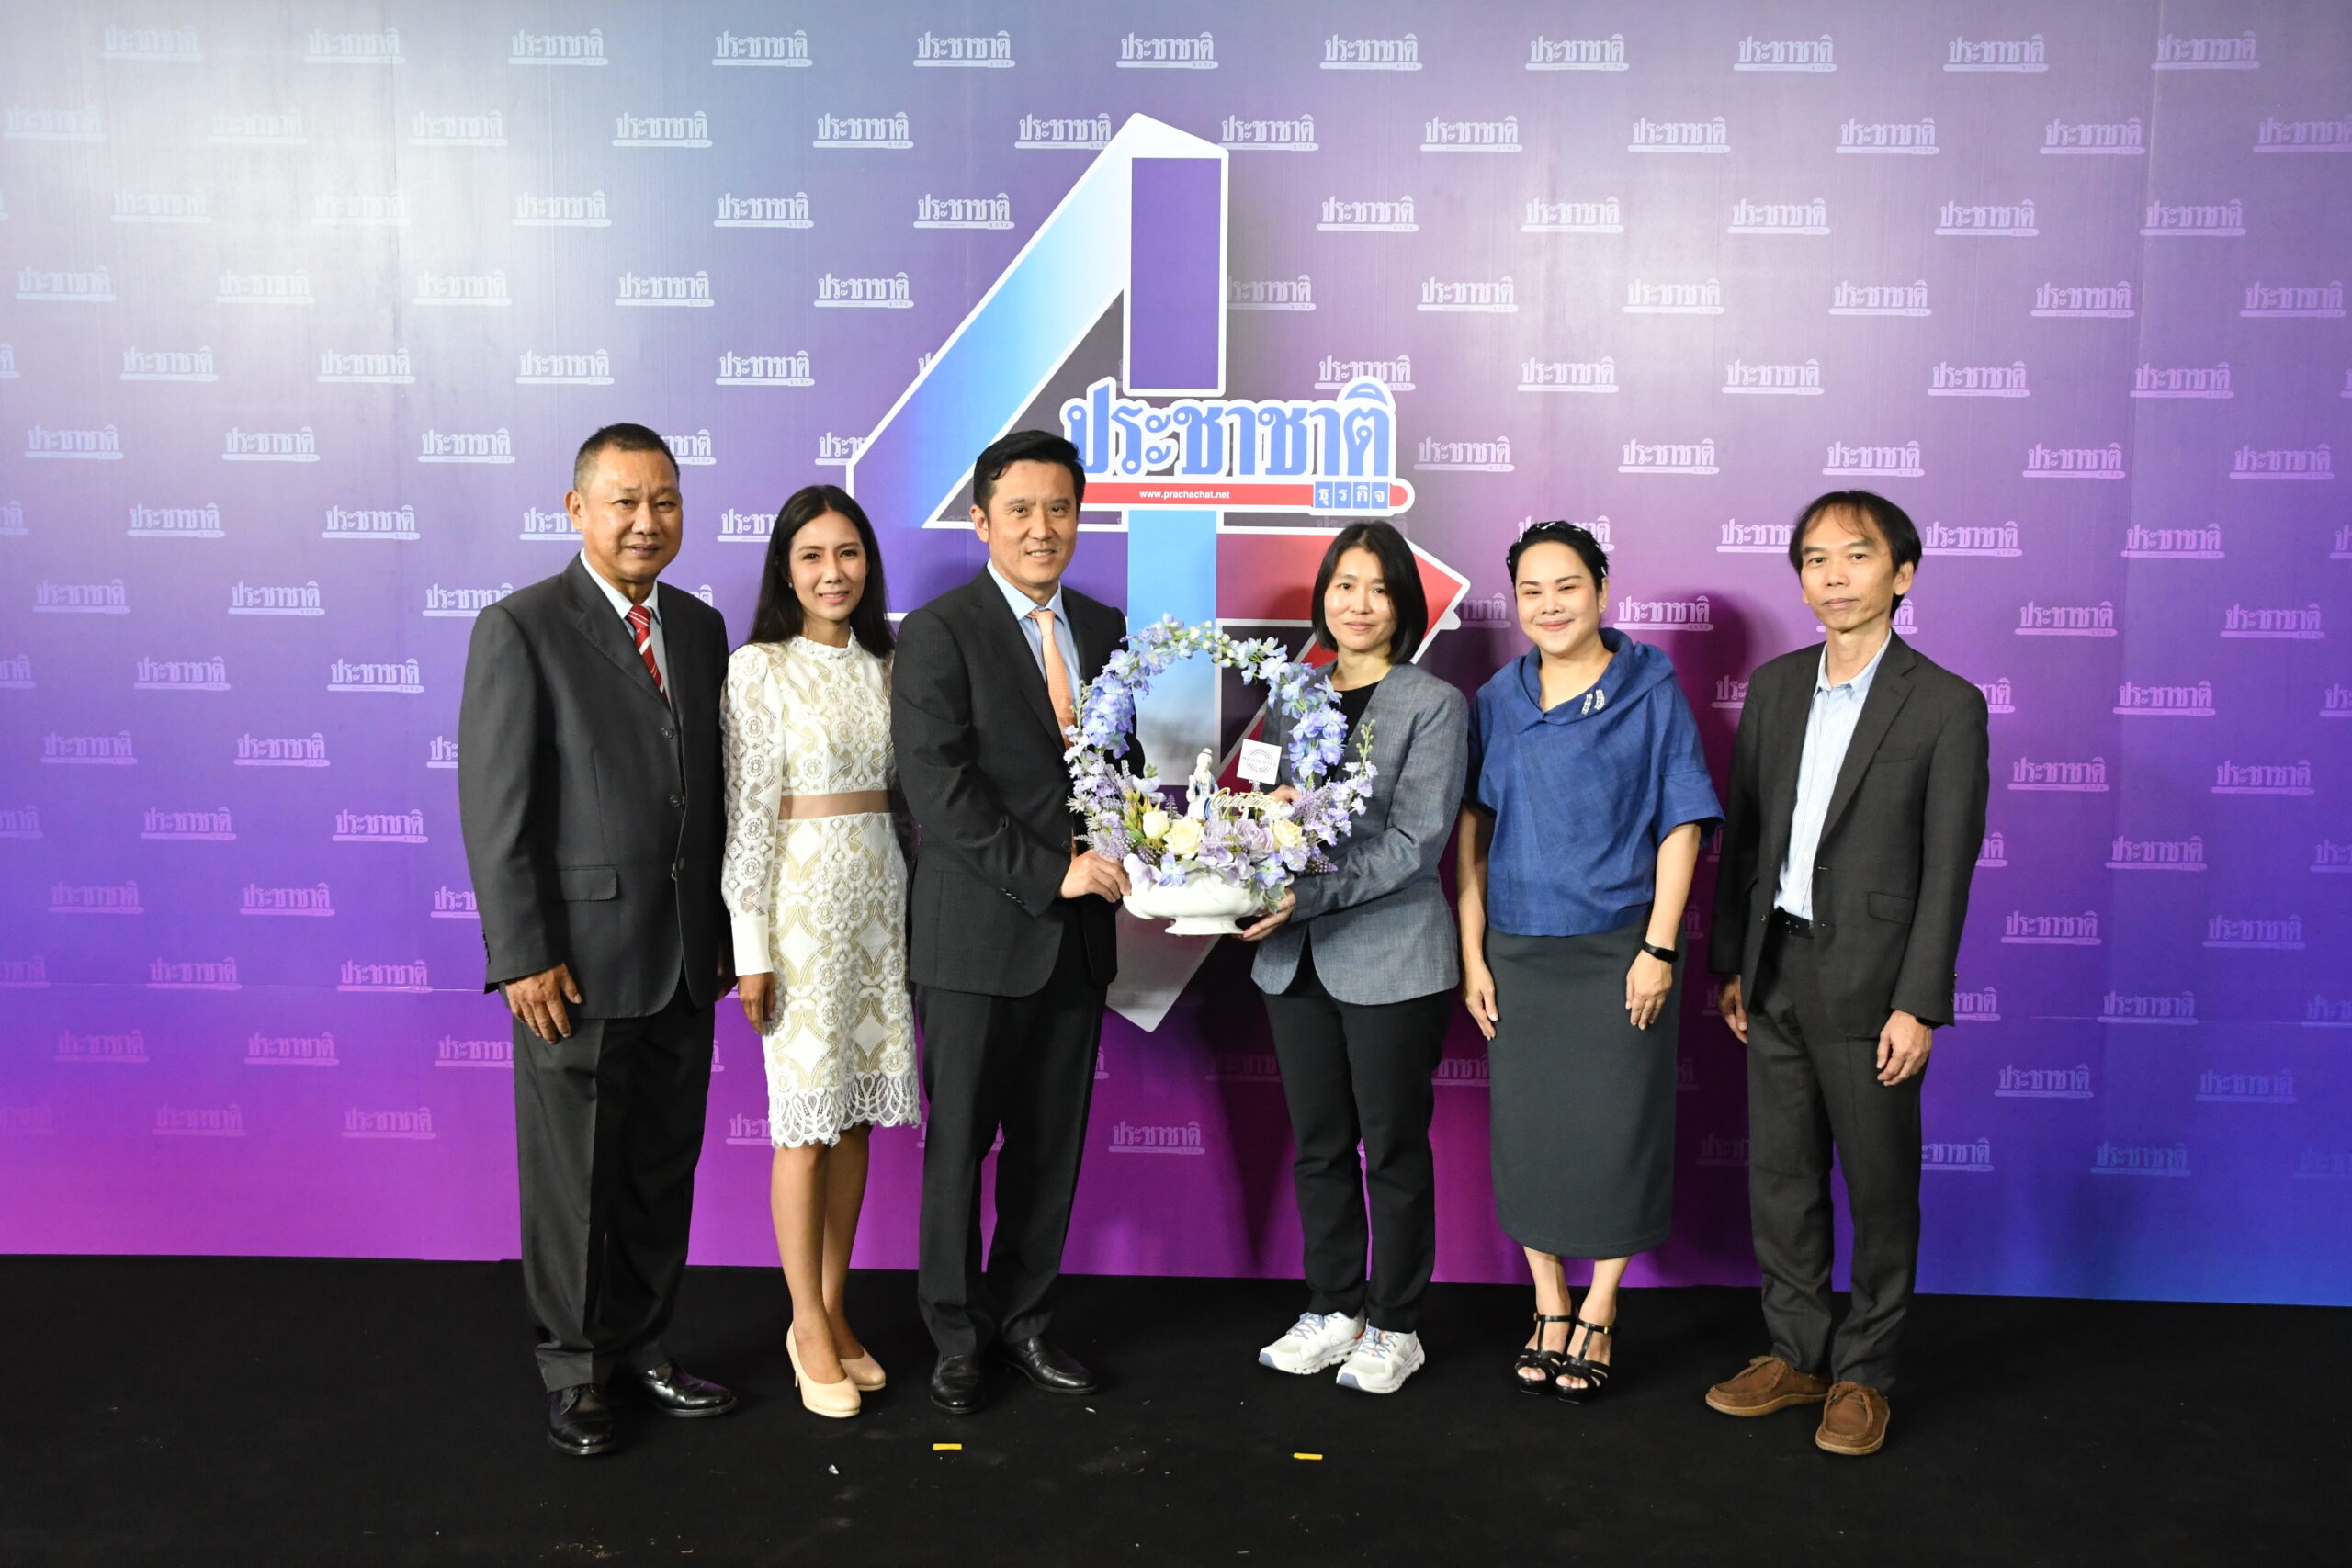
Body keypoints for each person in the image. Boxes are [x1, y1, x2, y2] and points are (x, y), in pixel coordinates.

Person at [458, 423, 738, 1457]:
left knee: (661, 1169)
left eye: (664, 500)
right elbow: (497, 811)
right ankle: (575, 1371)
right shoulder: (521, 627)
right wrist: (523, 953)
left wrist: (725, 935)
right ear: (577, 510)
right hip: (571, 964)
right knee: (572, 1180)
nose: (645, 520)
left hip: (684, 958)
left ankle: (643, 1344)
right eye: (624, 501)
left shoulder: (700, 628)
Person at [1702, 491, 1989, 1457]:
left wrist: (1919, 1003)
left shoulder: (1945, 704)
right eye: (1815, 559)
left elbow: (1948, 869)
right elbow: (1745, 838)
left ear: (1901, 575)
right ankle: (1796, 1353)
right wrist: (1732, 960)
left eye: (1857, 556)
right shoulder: (1776, 687)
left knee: (1879, 1186)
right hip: (1774, 966)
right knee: (1781, 1177)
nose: (1834, 575)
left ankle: (1865, 1371)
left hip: (1874, 985)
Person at [889, 429, 1131, 1416]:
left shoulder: (1105, 626)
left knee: (1048, 1147)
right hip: (974, 939)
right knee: (960, 1149)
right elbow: (937, 790)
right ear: (982, 520)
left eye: (1059, 508)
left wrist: (1157, 846)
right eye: (1020, 509)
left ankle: (1026, 1320)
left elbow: (1116, 770)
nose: (1042, 528)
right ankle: (956, 1337)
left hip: (1077, 944)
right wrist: (1052, 873)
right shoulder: (939, 630)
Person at [1456, 522, 1721, 1403]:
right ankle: (1549, 1300)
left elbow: (1683, 820)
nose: (1550, 605)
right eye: (1531, 591)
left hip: (1619, 948)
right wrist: (1472, 954)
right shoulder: (1497, 698)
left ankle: (1601, 1306)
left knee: (1617, 1131)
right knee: (1529, 1134)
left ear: (1602, 589)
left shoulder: (1651, 686)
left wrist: (1659, 946)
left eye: (1567, 585)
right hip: (1519, 950)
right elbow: (1473, 834)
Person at [1240, 521, 1467, 1396]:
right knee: (1319, 1144)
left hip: (1392, 957)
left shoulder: (1434, 704)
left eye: (1377, 587)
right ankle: (1335, 1306)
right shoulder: (1292, 695)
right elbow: (1259, 809)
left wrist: (1307, 895)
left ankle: (1397, 1322)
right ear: (1324, 596)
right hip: (1292, 959)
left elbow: (1415, 843)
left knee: (1393, 1146)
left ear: (1402, 603)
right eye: (1344, 585)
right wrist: (1245, 867)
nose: (1359, 603)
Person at [719, 485, 920, 1419]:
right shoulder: (759, 668)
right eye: (812, 555)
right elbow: (747, 814)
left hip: (882, 907)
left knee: (855, 1121)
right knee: (802, 1128)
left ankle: (835, 1309)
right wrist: (750, 947)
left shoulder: (890, 667)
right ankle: (803, 1323)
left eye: (848, 553)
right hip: (798, 910)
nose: (833, 572)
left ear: (867, 562)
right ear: (785, 570)